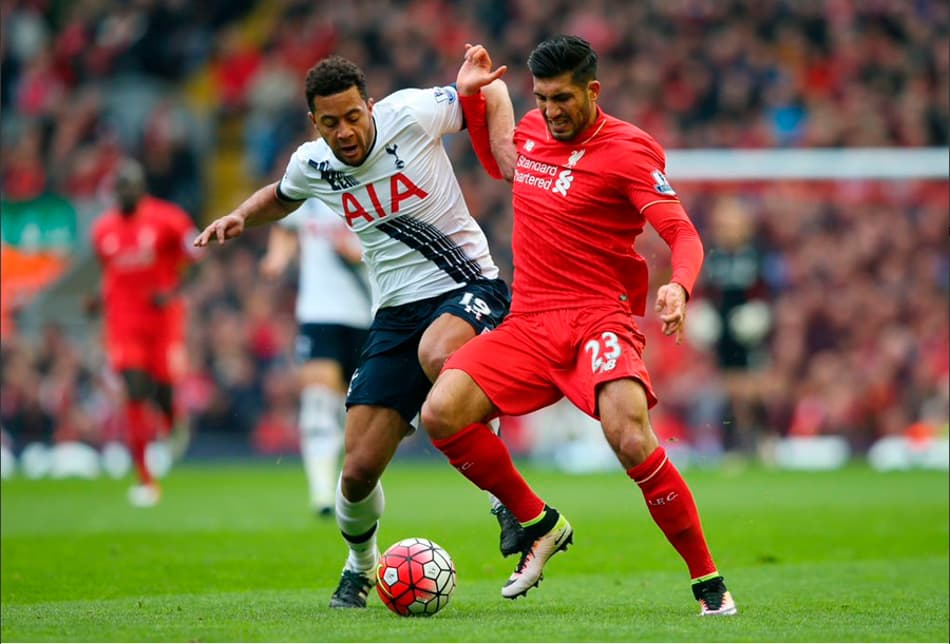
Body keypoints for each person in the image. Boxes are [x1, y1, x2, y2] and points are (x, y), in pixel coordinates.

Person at [420, 36, 737, 616]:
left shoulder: (631, 150)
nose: (551, 111)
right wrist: (472, 98)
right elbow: (497, 163)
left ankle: (708, 583)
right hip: (529, 321)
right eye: (541, 99)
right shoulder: (535, 133)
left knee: (628, 434)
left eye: (562, 98)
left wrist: (679, 284)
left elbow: (683, 233)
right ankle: (539, 522)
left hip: (599, 318)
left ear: (592, 90)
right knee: (440, 413)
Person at [194, 55, 524, 609]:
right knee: (356, 473)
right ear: (313, 122)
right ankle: (360, 565)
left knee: (443, 352)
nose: (345, 132)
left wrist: (507, 152)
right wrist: (240, 217)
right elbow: (281, 194)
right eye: (331, 123)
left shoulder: (412, 113)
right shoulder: (314, 163)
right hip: (393, 313)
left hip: (468, 283)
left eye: (353, 116)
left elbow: (489, 94)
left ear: (370, 106)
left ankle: (508, 503)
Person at [90, 158, 201, 507]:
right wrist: (97, 301)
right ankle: (145, 478)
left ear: (142, 188)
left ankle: (173, 419)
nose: (124, 193)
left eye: (130, 186)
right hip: (124, 324)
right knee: (135, 389)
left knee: (164, 392)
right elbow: (111, 276)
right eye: (119, 187)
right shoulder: (102, 230)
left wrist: (172, 293)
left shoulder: (168, 219)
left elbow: (198, 257)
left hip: (164, 321)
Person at [259, 197, 372, 518]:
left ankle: (352, 486)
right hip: (319, 312)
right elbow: (286, 226)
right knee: (319, 398)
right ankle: (322, 492)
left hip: (369, 313)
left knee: (360, 409)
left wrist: (360, 255)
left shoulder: (373, 180)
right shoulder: (310, 185)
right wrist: (276, 258)